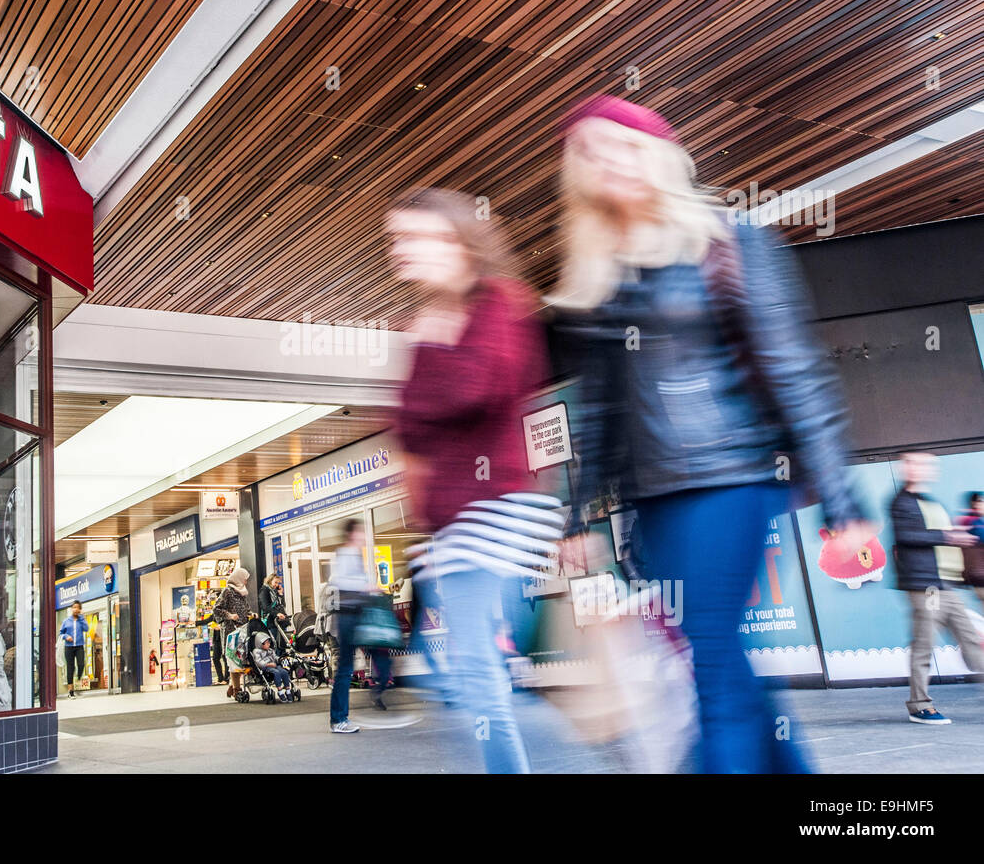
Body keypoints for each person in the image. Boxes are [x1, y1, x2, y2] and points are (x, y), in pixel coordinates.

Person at [548, 95, 872, 773]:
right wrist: (578, 514)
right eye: (590, 153)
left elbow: (796, 373)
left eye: (622, 145)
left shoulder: (733, 242)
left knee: (713, 662)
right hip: (651, 504)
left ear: (660, 155)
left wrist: (844, 505)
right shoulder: (605, 277)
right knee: (721, 663)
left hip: (732, 480)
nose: (609, 162)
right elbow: (604, 411)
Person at [388, 188, 556, 770]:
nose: (401, 252)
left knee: (475, 671)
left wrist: (432, 345)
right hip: (460, 519)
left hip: (496, 508)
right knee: (473, 666)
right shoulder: (432, 320)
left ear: (456, 241)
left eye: (414, 237)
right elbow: (408, 428)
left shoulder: (499, 304)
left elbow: (475, 388)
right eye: (397, 240)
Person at [891, 452, 984, 724]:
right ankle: (919, 705)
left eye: (925, 465)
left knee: (972, 642)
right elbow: (905, 536)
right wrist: (947, 535)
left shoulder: (926, 502)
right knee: (923, 645)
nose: (921, 469)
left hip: (944, 585)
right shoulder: (902, 502)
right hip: (926, 587)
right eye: (915, 464)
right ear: (906, 469)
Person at [327, 519, 392, 734]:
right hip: (347, 617)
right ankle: (338, 719)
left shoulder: (355, 555)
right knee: (345, 668)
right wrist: (364, 586)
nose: (364, 536)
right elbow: (338, 581)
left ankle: (379, 688)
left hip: (357, 615)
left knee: (378, 655)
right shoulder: (345, 554)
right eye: (361, 532)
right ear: (352, 534)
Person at [212, 567, 252, 699]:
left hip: (242, 629)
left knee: (239, 658)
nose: (246, 582)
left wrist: (251, 615)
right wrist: (229, 615)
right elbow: (216, 609)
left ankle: (231, 686)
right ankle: (236, 689)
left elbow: (246, 609)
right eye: (245, 579)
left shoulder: (242, 593)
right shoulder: (227, 592)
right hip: (230, 631)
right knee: (233, 658)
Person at [194, 592, 227, 683]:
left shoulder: (226, 610)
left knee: (225, 658)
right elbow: (207, 620)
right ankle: (221, 678)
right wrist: (195, 623)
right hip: (217, 638)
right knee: (216, 658)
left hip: (225, 637)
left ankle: (227, 678)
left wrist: (221, 627)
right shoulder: (216, 612)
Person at [60, 600, 88, 699]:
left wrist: (82, 618)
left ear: (80, 609)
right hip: (69, 647)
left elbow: (86, 629)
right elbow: (61, 633)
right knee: (70, 668)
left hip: (79, 646)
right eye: (74, 607)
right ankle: (71, 691)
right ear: (72, 609)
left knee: (81, 664)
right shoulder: (66, 621)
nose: (75, 609)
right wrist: (66, 636)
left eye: (77, 607)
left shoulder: (81, 620)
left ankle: (79, 678)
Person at [253, 634, 294, 701]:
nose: (269, 644)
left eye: (269, 643)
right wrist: (268, 664)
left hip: (274, 665)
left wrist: (280, 659)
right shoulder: (256, 651)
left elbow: (275, 657)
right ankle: (280, 691)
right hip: (266, 668)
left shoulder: (270, 650)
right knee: (276, 672)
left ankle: (288, 690)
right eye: (267, 643)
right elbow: (258, 662)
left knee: (284, 672)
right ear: (261, 644)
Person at [259, 574, 290, 652]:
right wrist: (276, 613)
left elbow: (282, 605)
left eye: (278, 583)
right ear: (270, 580)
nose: (277, 585)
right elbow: (265, 606)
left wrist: (280, 594)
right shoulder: (264, 590)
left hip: (280, 621)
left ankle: (283, 661)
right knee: (276, 645)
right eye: (275, 582)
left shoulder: (275, 591)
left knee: (282, 644)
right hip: (272, 622)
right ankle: (278, 662)